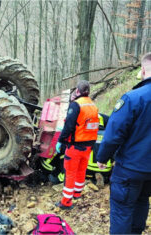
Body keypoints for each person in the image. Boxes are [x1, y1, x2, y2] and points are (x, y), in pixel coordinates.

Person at [96, 52, 151, 234]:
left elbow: (114, 134)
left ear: (143, 70)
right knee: (142, 202)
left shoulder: (133, 98)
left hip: (129, 168)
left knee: (122, 210)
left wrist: (102, 157)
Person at [55, 80, 99, 210]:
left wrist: (61, 141)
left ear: (78, 91)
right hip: (88, 146)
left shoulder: (76, 105)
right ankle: (77, 193)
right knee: (81, 170)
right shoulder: (93, 105)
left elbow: (68, 126)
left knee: (70, 173)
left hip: (75, 146)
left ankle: (66, 202)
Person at [44, 113, 113, 185]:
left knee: (66, 156)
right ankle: (99, 177)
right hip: (105, 170)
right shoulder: (110, 134)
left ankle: (59, 178)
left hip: (86, 170)